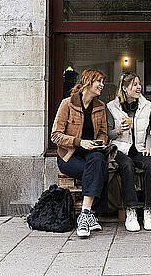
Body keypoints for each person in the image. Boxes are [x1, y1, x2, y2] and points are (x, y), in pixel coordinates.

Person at [51, 69, 109, 238]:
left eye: (102, 82)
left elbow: (103, 133)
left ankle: (84, 214)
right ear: (88, 82)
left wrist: (100, 142)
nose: (102, 85)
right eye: (98, 81)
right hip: (69, 156)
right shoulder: (67, 104)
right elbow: (55, 135)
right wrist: (79, 142)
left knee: (98, 160)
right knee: (98, 170)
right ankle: (89, 215)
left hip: (91, 153)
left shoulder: (100, 106)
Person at [107, 71, 151, 232]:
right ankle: (131, 210)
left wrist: (149, 146)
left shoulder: (147, 105)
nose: (139, 87)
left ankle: (149, 210)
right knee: (127, 165)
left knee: (150, 164)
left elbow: (150, 131)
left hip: (140, 147)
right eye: (134, 84)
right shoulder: (111, 107)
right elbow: (107, 133)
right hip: (120, 149)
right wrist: (118, 130)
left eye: (139, 84)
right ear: (124, 88)